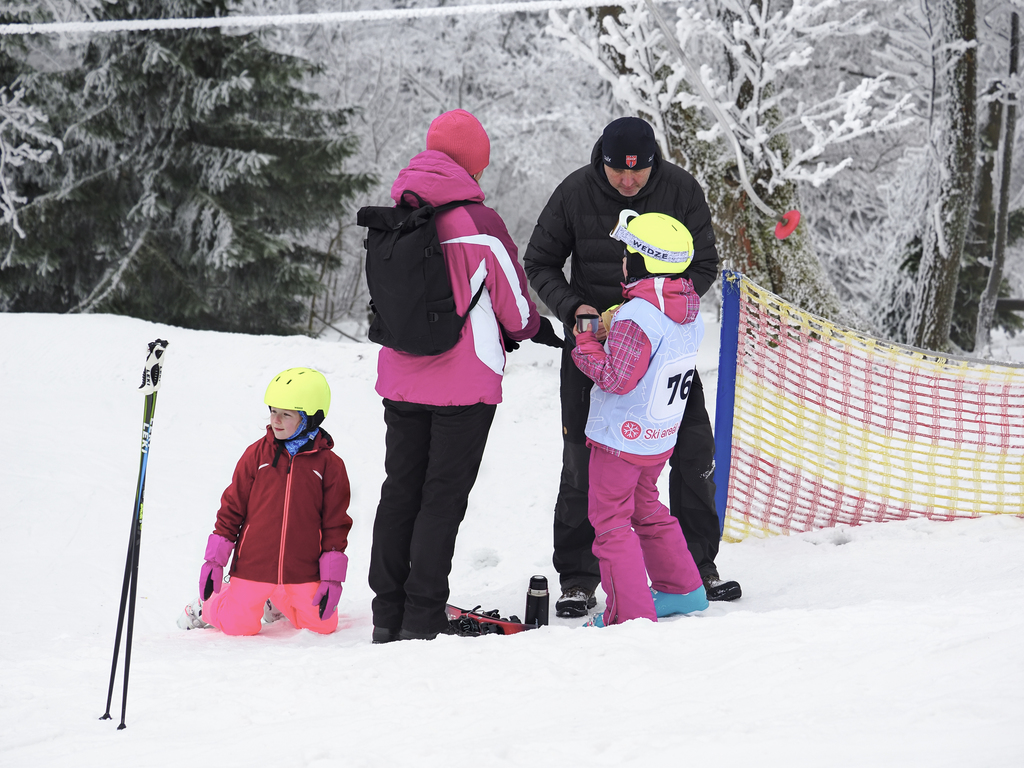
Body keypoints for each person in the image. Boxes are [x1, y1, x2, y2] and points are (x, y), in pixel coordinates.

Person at [524, 115, 741, 617]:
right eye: (617, 171)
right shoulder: (575, 191)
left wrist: (657, 309)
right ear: (601, 161)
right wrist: (576, 309)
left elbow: (703, 263)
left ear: (652, 163)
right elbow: (539, 261)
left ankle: (698, 566)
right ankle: (579, 578)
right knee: (583, 461)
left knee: (692, 452)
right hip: (595, 346)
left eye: (637, 172)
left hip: (664, 349)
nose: (627, 181)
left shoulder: (681, 189)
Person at [368, 109, 561, 643]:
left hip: (400, 380)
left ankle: (387, 614)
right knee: (441, 498)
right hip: (464, 387)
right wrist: (535, 329)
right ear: (473, 165)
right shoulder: (480, 223)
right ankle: (422, 616)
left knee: (400, 491)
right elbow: (516, 310)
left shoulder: (396, 215)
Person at [573, 210, 710, 626]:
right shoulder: (687, 312)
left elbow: (616, 378)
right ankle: (682, 588)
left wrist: (585, 342)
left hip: (620, 440)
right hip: (657, 437)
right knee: (646, 508)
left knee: (610, 521)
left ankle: (628, 615)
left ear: (641, 261)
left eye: (627, 254)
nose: (622, 261)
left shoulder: (638, 315)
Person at [177, 367, 353, 635]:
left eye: (286, 414)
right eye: (273, 411)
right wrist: (215, 561)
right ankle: (207, 606)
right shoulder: (256, 455)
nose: (276, 420)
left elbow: (335, 523)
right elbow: (232, 508)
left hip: (302, 569)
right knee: (239, 628)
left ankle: (277, 598)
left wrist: (331, 578)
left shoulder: (330, 465)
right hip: (253, 565)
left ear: (310, 418)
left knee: (322, 625)